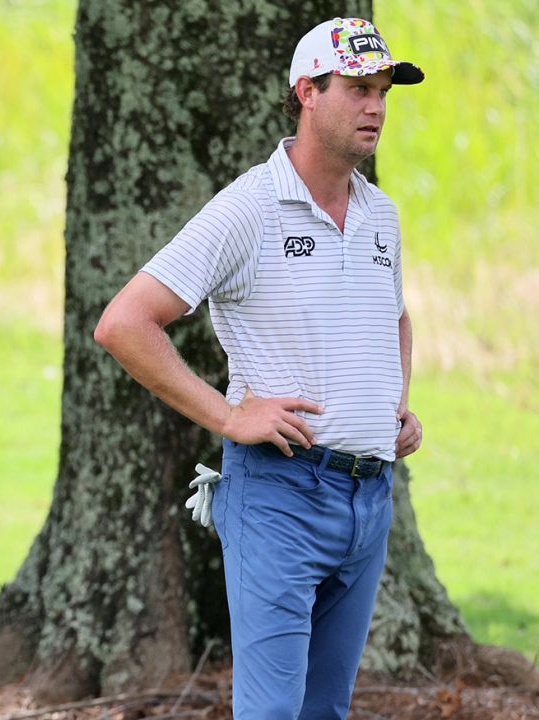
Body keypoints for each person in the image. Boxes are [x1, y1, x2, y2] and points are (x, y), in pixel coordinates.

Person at [93, 17, 424, 720]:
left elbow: (393, 316)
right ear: (307, 91)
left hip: (370, 502)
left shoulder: (381, 214)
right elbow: (125, 324)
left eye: (384, 91)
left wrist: (391, 403)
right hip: (280, 496)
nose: (376, 107)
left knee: (323, 712)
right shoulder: (249, 207)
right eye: (359, 88)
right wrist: (229, 415)